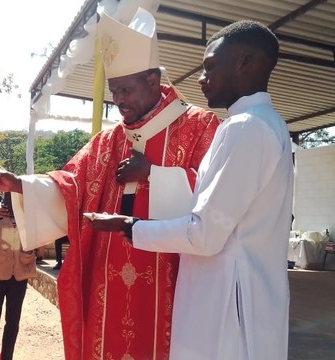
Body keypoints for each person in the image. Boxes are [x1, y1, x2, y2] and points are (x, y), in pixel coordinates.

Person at [0, 2, 220, 358]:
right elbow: (71, 184)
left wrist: (153, 175)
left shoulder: (201, 127)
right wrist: (18, 184)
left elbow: (217, 197)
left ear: (152, 80)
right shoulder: (110, 139)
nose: (118, 101)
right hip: (108, 278)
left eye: (126, 90)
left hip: (171, 274)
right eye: (114, 91)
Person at [86, 20, 293, 360]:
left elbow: (206, 234)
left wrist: (127, 226)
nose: (201, 78)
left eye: (210, 66)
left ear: (245, 63)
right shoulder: (258, 124)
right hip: (233, 298)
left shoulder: (247, 128)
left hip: (228, 309)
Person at [0, 192, 37, 360]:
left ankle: (6, 357)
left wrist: (30, 249)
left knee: (13, 321)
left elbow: (35, 237)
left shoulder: (26, 215)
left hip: (19, 275)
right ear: (4, 198)